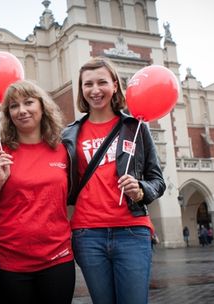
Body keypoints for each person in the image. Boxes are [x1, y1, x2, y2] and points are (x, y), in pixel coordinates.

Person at [62, 57, 165, 304]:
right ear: (81, 89)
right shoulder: (69, 134)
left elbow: (157, 180)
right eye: (88, 84)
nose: (95, 90)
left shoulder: (135, 127)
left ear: (115, 85)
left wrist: (141, 190)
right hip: (88, 234)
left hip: (132, 231)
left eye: (102, 82)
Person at [0, 80, 75, 304]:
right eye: (14, 106)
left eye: (28, 102)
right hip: (11, 260)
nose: (22, 110)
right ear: (8, 113)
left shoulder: (63, 150)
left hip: (57, 257)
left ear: (42, 107)